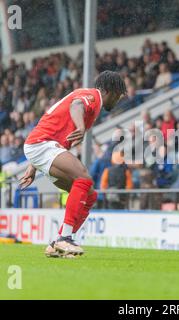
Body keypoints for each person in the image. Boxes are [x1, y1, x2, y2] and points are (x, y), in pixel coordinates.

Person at [19, 71, 127, 258]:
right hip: (42, 144)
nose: (118, 100)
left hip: (41, 147)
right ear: (110, 91)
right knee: (83, 178)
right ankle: (65, 238)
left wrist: (33, 164)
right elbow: (76, 105)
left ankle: (57, 243)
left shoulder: (93, 100)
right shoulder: (93, 96)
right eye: (118, 95)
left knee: (90, 195)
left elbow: (56, 128)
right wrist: (80, 126)